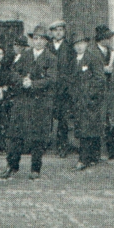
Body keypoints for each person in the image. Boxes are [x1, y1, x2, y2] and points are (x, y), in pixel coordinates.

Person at [0, 25, 57, 180]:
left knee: (38, 137)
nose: (38, 42)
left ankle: (35, 169)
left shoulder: (51, 58)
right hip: (23, 101)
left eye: (42, 39)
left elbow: (51, 79)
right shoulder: (25, 55)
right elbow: (13, 72)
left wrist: (33, 84)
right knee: (15, 135)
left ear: (46, 42)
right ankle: (12, 166)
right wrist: (22, 81)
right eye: (36, 38)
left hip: (40, 103)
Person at [69, 31, 106, 170]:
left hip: (90, 101)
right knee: (84, 129)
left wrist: (90, 95)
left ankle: (83, 160)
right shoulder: (74, 60)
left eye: (81, 43)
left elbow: (100, 79)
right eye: (76, 44)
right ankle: (91, 157)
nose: (79, 47)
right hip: (79, 101)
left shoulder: (92, 58)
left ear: (86, 44)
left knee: (87, 129)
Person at [93, 25, 114, 161]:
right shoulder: (92, 52)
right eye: (108, 38)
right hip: (98, 92)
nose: (110, 40)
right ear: (101, 39)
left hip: (110, 92)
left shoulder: (111, 52)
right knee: (98, 122)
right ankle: (96, 154)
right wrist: (103, 70)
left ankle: (113, 152)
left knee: (111, 121)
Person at [48, 20, 76, 158]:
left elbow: (72, 68)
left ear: (64, 32)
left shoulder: (69, 47)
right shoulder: (47, 47)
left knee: (64, 119)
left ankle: (62, 146)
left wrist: (68, 84)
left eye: (61, 30)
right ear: (52, 32)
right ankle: (44, 146)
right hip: (49, 89)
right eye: (55, 30)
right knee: (46, 117)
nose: (58, 32)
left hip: (64, 90)